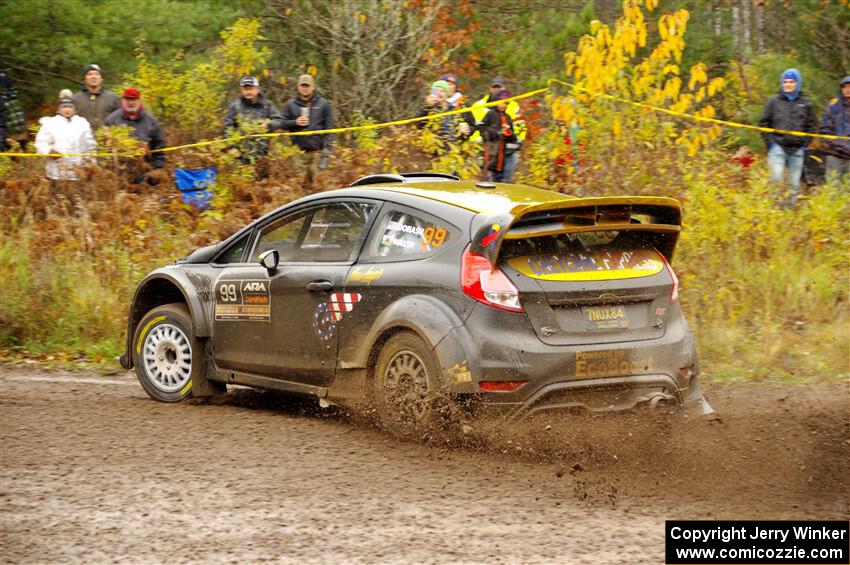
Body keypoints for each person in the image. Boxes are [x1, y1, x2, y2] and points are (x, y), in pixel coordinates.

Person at [757, 68, 817, 206]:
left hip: (797, 150)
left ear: (797, 83)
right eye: (785, 82)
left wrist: (805, 144)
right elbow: (763, 123)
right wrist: (771, 143)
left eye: (791, 82)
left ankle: (789, 214)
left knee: (794, 185)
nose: (788, 84)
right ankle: (772, 210)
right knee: (776, 179)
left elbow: (812, 126)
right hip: (778, 147)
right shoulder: (773, 101)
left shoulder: (806, 103)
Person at [104, 87, 167, 185]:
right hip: (119, 176)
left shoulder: (151, 122)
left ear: (139, 100)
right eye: (127, 99)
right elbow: (104, 149)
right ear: (122, 101)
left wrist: (156, 171)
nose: (131, 102)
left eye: (134, 99)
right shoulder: (111, 120)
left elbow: (159, 148)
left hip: (144, 176)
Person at [223, 76, 284, 176]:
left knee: (264, 184)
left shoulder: (267, 105)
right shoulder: (235, 106)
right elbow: (227, 128)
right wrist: (231, 148)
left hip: (263, 155)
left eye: (251, 88)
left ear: (257, 89)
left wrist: (268, 125)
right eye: (245, 89)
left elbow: (279, 120)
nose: (248, 92)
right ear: (241, 90)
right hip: (241, 156)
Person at [34, 91, 96, 185]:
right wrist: (48, 152)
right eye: (64, 107)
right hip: (56, 172)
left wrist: (91, 164)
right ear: (59, 110)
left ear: (74, 110)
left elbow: (90, 146)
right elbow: (41, 143)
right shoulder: (50, 123)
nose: (67, 110)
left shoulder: (83, 123)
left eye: (70, 107)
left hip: (78, 172)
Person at [470, 77, 526, 181]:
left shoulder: (513, 105)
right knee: (485, 180)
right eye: (494, 87)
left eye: (499, 87)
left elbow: (520, 125)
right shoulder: (479, 105)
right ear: (490, 88)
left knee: (505, 182)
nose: (497, 90)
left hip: (508, 150)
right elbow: (476, 126)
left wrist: (517, 140)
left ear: (504, 88)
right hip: (485, 150)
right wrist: (481, 141)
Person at [281, 74, 333, 181]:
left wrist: (327, 150)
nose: (305, 89)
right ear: (298, 87)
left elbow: (330, 129)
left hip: (317, 152)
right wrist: (295, 122)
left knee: (318, 184)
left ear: (313, 87)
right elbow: (281, 123)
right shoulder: (290, 104)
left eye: (307, 86)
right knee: (298, 184)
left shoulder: (323, 104)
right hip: (297, 153)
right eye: (302, 86)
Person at [416, 80, 471, 152]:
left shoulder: (455, 110)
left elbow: (465, 132)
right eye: (436, 91)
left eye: (442, 91)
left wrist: (465, 132)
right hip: (434, 153)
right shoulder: (427, 110)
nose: (439, 93)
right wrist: (428, 106)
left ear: (446, 94)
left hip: (454, 152)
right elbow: (417, 125)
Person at [480, 90, 520, 182]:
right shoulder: (491, 114)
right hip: (491, 150)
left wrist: (508, 133)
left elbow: (513, 138)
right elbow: (482, 128)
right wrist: (497, 133)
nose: (503, 105)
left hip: (503, 153)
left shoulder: (508, 117)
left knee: (501, 178)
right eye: (501, 102)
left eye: (505, 103)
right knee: (488, 176)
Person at [71, 64, 120, 130]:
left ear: (101, 78)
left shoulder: (113, 98)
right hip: (83, 139)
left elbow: (120, 119)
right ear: (84, 78)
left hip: (107, 138)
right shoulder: (75, 99)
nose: (93, 77)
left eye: (97, 74)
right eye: (89, 74)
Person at [819, 75, 850, 180]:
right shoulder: (833, 106)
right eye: (844, 87)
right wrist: (833, 143)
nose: (847, 90)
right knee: (833, 188)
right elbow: (824, 129)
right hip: (835, 153)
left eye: (849, 87)